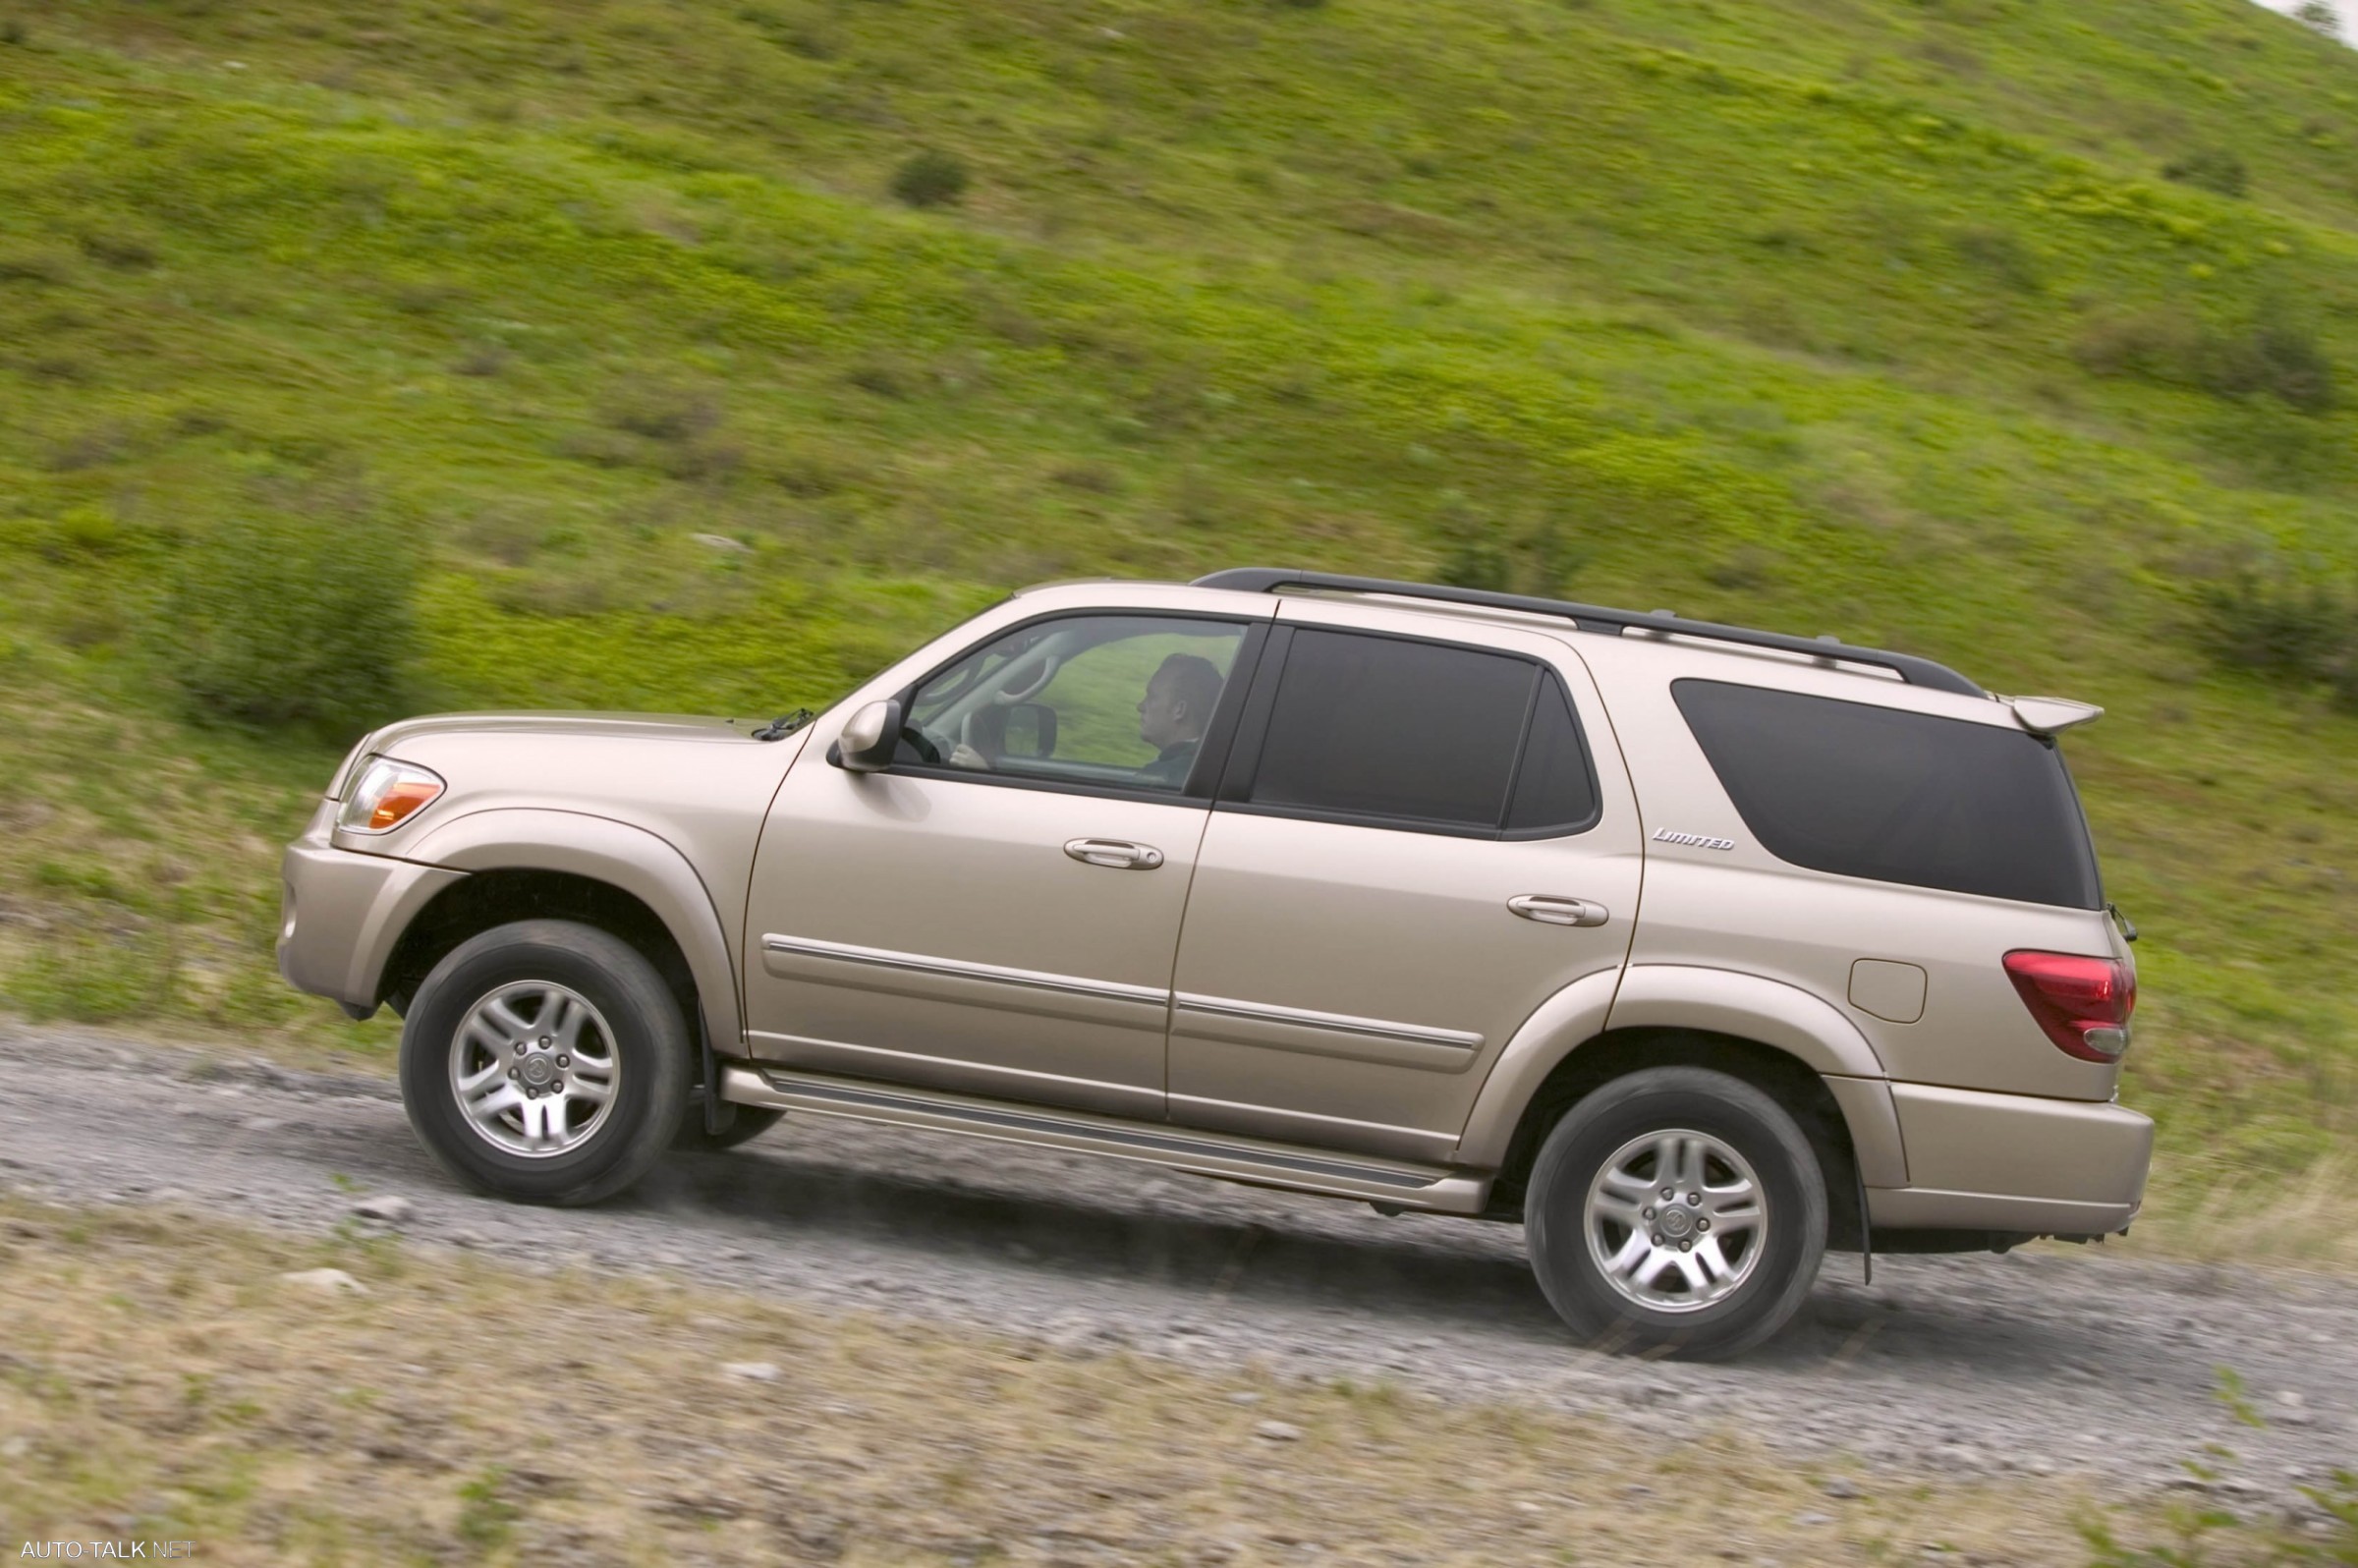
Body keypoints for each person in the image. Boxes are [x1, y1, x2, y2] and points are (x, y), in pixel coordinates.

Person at [1133, 652, 1224, 788]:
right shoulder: (1214, 763)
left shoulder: (1161, 777)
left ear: (1179, 710)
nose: (1140, 706)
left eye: (1152, 697)